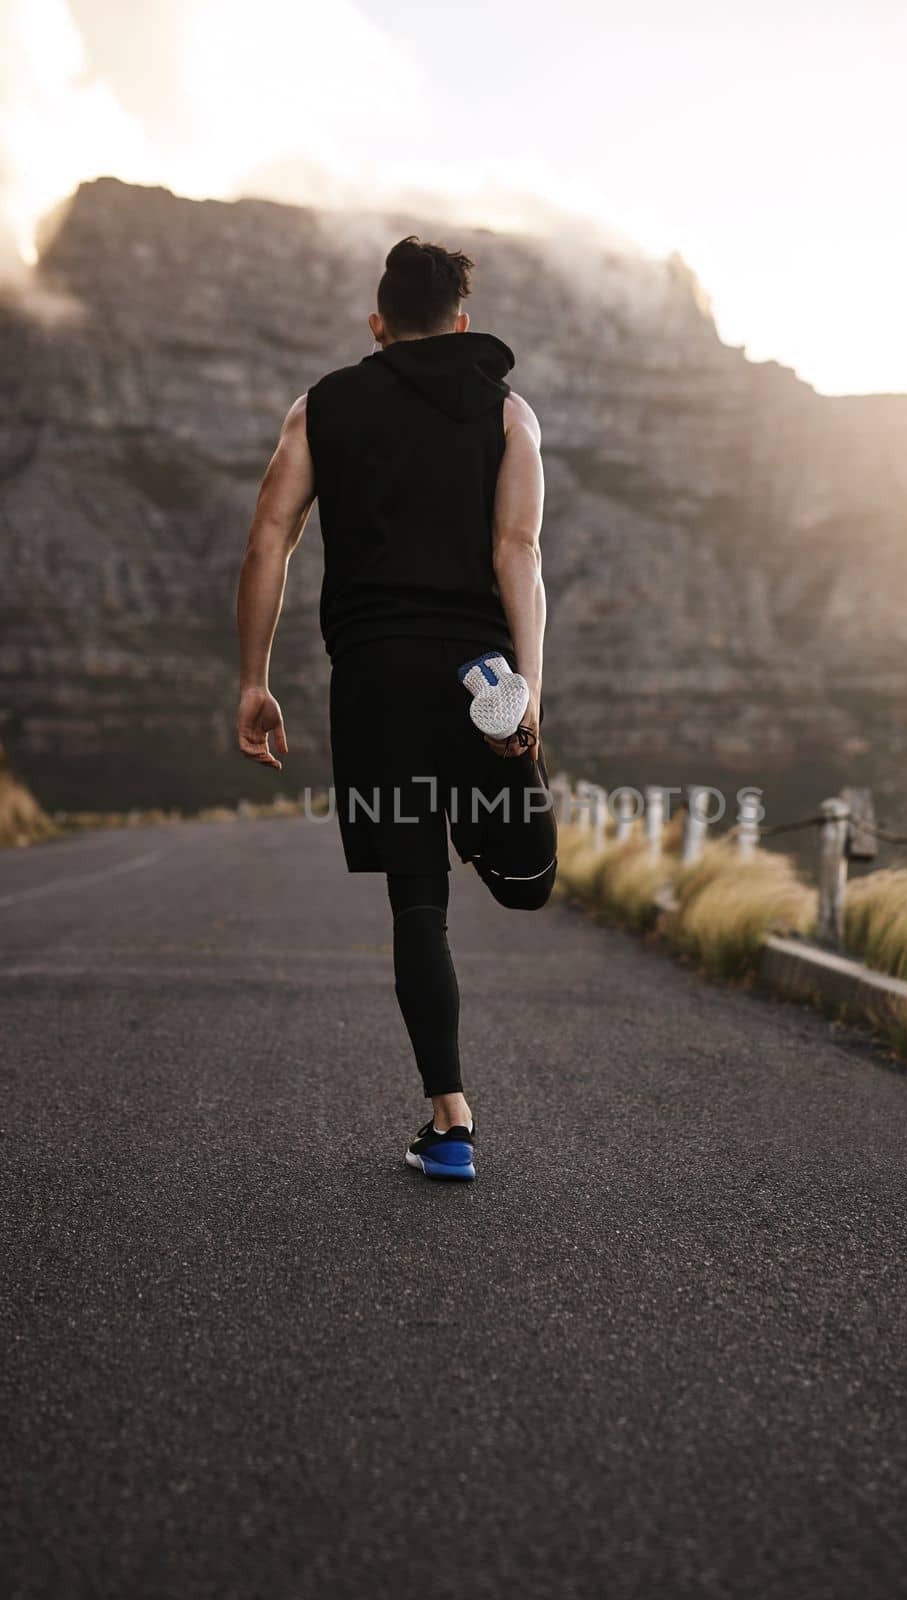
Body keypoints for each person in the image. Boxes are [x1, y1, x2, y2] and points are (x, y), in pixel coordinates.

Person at [235, 235, 557, 1182]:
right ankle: (502, 780)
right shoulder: (508, 412)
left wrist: (254, 681)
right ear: (461, 323)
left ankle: (450, 1124)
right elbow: (518, 551)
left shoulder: (321, 406)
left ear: (378, 325)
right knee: (528, 880)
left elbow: (268, 543)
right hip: (476, 670)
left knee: (418, 903)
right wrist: (529, 687)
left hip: (373, 676)